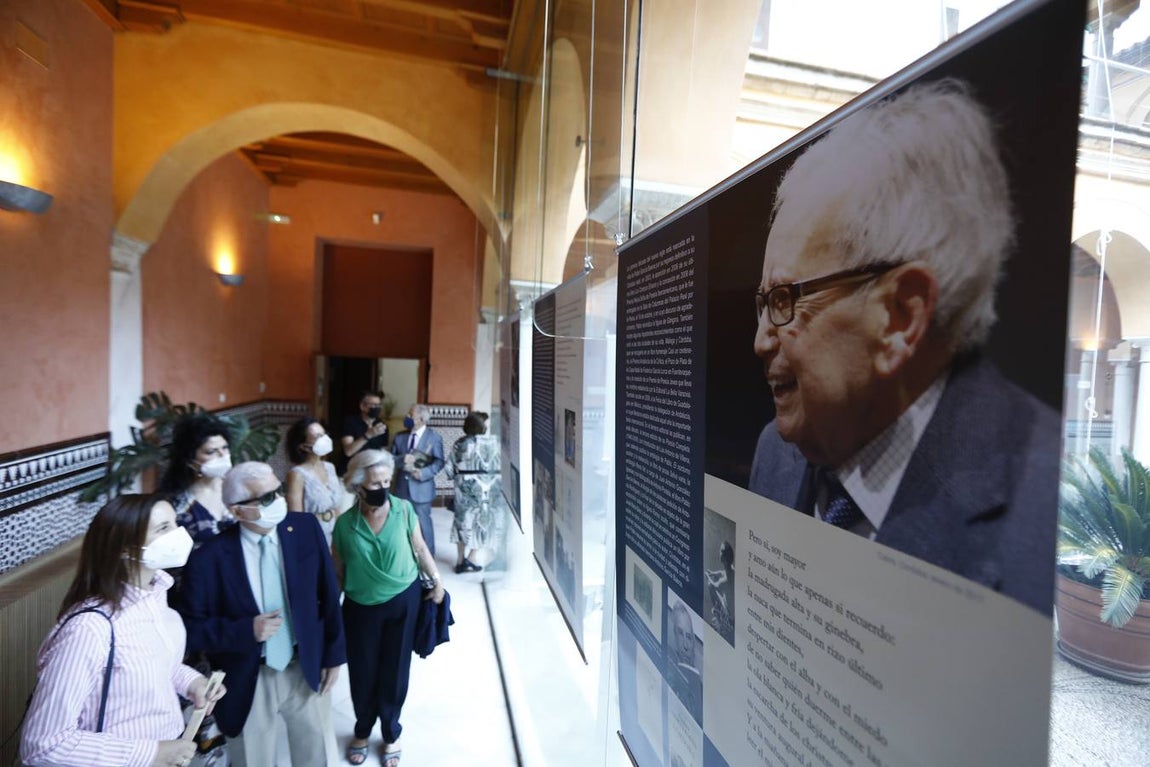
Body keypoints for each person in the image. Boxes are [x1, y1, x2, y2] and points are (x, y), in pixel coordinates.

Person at [748, 80, 1059, 614]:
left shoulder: (1037, 512)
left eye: (783, 300)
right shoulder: (774, 454)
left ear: (900, 317)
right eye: (761, 303)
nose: (759, 342)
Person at [20, 494, 225, 767]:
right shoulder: (90, 629)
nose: (179, 534)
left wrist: (192, 683)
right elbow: (44, 745)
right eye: (163, 528)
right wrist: (150, 753)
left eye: (175, 524)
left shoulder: (163, 609)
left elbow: (159, 667)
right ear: (127, 549)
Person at [176, 462, 346, 767]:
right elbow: (191, 628)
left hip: (304, 666)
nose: (277, 501)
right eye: (265, 498)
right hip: (249, 676)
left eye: (277, 491)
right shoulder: (209, 559)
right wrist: (245, 630)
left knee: (316, 752)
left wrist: (333, 655)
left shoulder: (305, 528)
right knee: (255, 758)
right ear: (237, 510)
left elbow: (328, 594)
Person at [334, 450, 444, 767]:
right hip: (360, 607)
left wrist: (436, 580)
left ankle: (391, 731)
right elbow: (338, 573)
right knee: (363, 671)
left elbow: (420, 547)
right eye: (374, 483)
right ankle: (363, 729)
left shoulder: (404, 510)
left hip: (402, 602)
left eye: (386, 481)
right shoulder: (345, 525)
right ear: (357, 485)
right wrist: (328, 613)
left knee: (395, 671)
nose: (381, 488)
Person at [444, 411, 506, 574]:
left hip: (463, 492)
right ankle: (473, 556)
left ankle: (460, 561)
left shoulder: (458, 443)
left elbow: (449, 471)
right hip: (486, 491)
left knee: (461, 525)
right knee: (482, 524)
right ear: (481, 426)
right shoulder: (492, 443)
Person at [161, 414, 235, 547]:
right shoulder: (177, 503)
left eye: (225, 448)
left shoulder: (238, 486)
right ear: (190, 460)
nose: (223, 455)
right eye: (211, 451)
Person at [391, 404, 445, 557]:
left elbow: (439, 462)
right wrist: (402, 459)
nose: (406, 418)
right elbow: (390, 458)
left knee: (423, 524)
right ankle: (403, 556)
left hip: (422, 489)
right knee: (399, 524)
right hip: (401, 488)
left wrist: (423, 473)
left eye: (410, 415)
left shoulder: (434, 437)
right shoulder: (399, 436)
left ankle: (428, 559)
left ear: (421, 419)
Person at [285, 416, 346, 546]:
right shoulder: (297, 475)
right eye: (318, 436)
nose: (325, 439)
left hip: (335, 533)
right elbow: (296, 519)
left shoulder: (329, 467)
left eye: (324, 434)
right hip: (312, 536)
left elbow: (336, 508)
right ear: (304, 447)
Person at [665, 601, 702, 722]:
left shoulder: (701, 690)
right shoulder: (667, 665)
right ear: (674, 634)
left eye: (689, 637)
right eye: (681, 634)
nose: (686, 645)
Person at [341, 390, 390, 471]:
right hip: (351, 470)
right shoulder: (350, 422)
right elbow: (348, 451)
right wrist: (368, 435)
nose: (377, 408)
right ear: (362, 406)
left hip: (371, 472)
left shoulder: (382, 425)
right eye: (373, 405)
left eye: (379, 405)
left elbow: (383, 452)